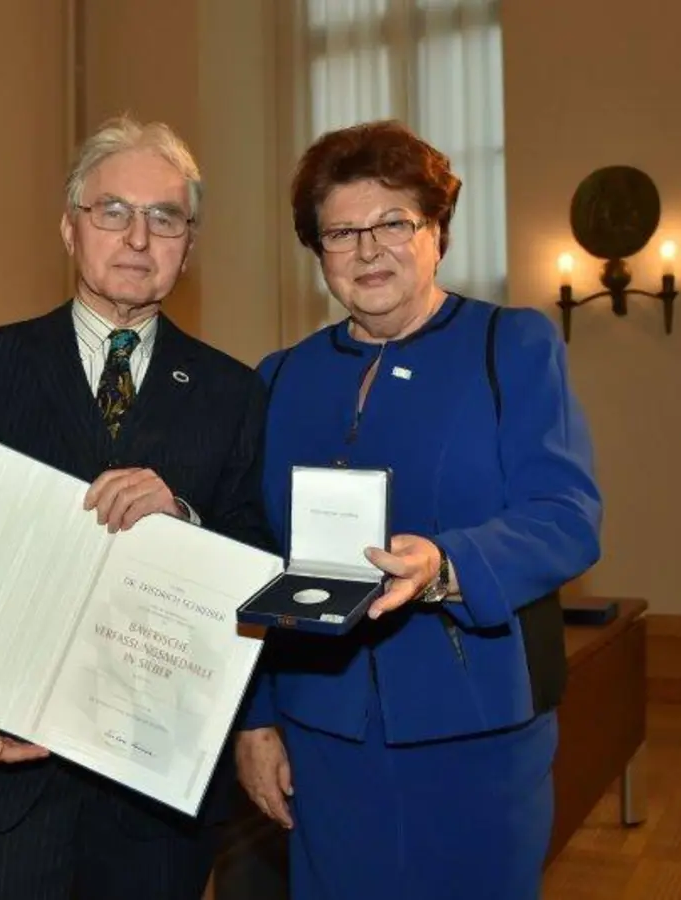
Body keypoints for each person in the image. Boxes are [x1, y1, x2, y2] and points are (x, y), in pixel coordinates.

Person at [0, 116, 275, 900]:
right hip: (3, 772)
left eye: (164, 217)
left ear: (187, 246)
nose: (138, 237)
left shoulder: (235, 392)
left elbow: (262, 558)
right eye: (113, 211)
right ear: (70, 228)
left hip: (154, 797)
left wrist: (187, 523)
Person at [232, 119, 604, 898]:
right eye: (342, 232)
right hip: (323, 731)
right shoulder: (279, 379)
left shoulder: (513, 347)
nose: (368, 251)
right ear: (318, 252)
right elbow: (257, 554)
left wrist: (446, 565)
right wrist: (257, 720)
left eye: (393, 223)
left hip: (477, 722)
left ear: (436, 233)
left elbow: (567, 515)